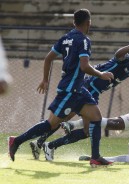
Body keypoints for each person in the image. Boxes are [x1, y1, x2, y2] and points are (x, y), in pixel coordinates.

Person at [29, 29, 129, 161]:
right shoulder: (126, 58)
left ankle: (48, 144)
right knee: (65, 118)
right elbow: (118, 53)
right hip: (87, 87)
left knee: (86, 130)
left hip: (94, 92)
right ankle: (42, 143)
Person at [8, 9, 115, 168]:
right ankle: (16, 141)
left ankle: (95, 157)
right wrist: (101, 74)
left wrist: (45, 79)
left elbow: (48, 58)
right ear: (88, 23)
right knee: (52, 123)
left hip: (78, 90)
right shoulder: (84, 40)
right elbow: (84, 66)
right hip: (70, 90)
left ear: (74, 22)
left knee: (96, 117)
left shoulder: (65, 38)